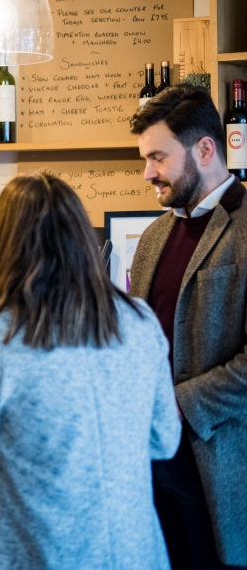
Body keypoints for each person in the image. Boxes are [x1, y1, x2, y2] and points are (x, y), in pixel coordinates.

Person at [0, 172, 181, 570]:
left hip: (40, 553)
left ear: (1, 247)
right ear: (82, 239)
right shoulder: (139, 322)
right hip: (136, 551)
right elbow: (164, 441)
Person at [129, 84, 247, 569]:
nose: (147, 172)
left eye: (158, 157)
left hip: (221, 470)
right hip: (149, 465)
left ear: (205, 148)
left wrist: (177, 405)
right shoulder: (154, 235)